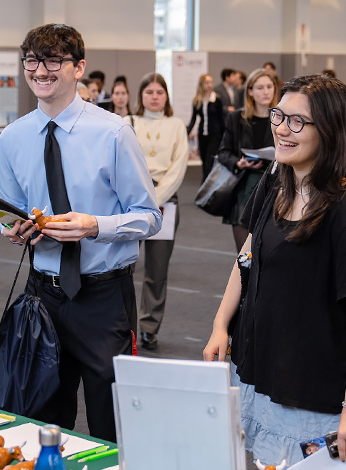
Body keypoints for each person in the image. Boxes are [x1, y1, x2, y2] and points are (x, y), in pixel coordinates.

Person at [204, 74, 346, 467]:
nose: (281, 130)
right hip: (263, 367)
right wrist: (222, 324)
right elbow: (246, 257)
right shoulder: (278, 180)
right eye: (278, 116)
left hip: (313, 384)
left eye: (297, 122)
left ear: (330, 129)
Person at [0, 23, 161, 442]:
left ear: (78, 67)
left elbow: (149, 216)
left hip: (103, 300)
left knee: (111, 425)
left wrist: (95, 226)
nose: (41, 70)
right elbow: (8, 212)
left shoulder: (113, 132)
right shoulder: (13, 138)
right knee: (40, 422)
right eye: (32, 60)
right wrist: (15, 229)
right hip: (42, 295)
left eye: (54, 60)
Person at [127, 72, 189, 350]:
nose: (154, 96)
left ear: (166, 96)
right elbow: (124, 162)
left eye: (159, 92)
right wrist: (143, 197)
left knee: (157, 270)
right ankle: (123, 325)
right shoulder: (128, 123)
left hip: (165, 200)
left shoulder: (176, 125)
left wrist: (157, 198)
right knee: (122, 266)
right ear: (140, 96)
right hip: (131, 199)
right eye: (149, 91)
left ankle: (149, 328)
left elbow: (179, 166)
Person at [218, 68, 278, 251]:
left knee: (271, 255)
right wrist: (238, 163)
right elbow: (223, 152)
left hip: (276, 188)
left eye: (269, 86)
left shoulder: (282, 118)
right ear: (250, 91)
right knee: (245, 257)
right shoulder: (236, 118)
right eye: (260, 87)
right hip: (245, 188)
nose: (266, 91)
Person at [187, 73, 225, 180]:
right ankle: (206, 185)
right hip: (202, 135)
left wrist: (224, 136)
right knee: (204, 162)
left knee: (209, 162)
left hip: (215, 135)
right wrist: (186, 132)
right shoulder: (196, 100)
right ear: (201, 84)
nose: (210, 85)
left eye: (211, 82)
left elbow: (221, 119)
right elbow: (193, 119)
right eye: (207, 82)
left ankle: (206, 187)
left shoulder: (217, 99)